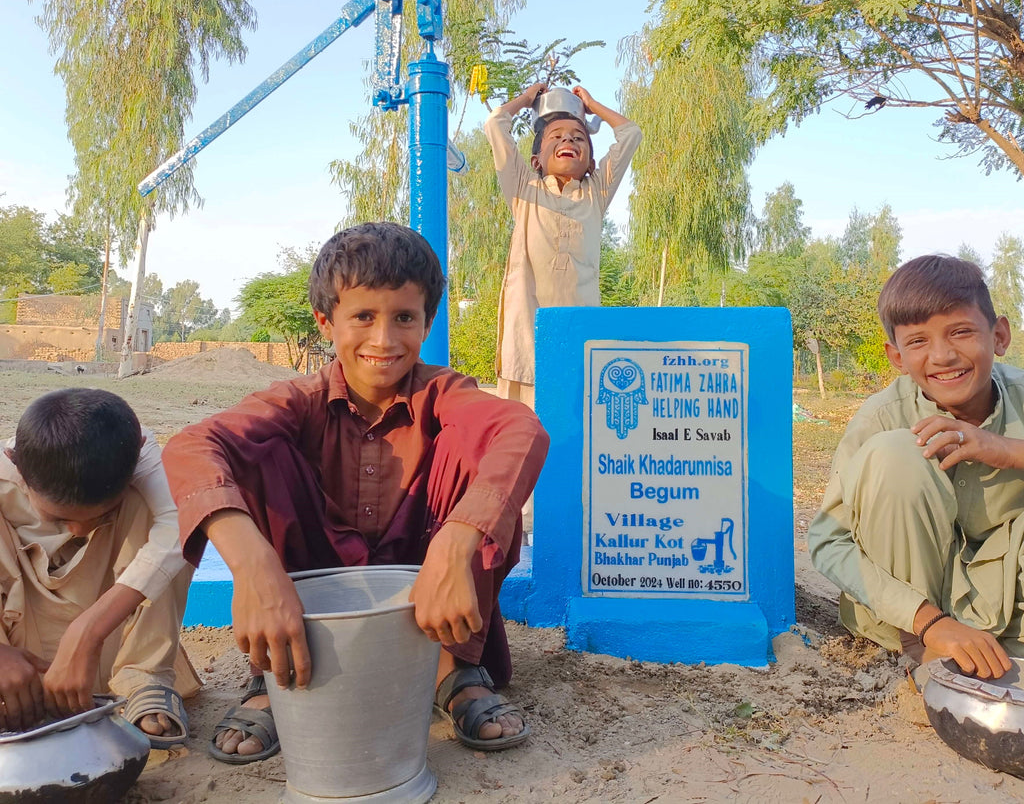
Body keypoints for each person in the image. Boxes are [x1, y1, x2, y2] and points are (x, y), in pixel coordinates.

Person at [162, 222, 549, 763]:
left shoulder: (443, 391)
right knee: (259, 450)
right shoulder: (297, 399)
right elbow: (190, 447)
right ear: (327, 321)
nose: (384, 340)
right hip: (312, 589)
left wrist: (457, 539)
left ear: (427, 322)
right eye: (364, 316)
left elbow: (521, 430)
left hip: (426, 589)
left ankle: (453, 670)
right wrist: (252, 566)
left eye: (404, 318)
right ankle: (276, 676)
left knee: (477, 439)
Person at [808, 254, 1023, 682]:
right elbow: (828, 543)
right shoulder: (880, 417)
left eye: (960, 332)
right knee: (896, 452)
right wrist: (928, 623)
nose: (942, 355)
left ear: (999, 335)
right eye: (919, 341)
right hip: (906, 616)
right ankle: (923, 654)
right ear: (897, 356)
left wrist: (1003, 449)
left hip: (1006, 606)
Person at [0, 388, 199, 745]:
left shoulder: (140, 457)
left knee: (177, 511)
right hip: (17, 665)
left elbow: (182, 528)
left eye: (101, 516)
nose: (79, 531)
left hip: (110, 647)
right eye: (60, 518)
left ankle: (144, 679)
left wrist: (87, 632)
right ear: (13, 460)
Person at [484, 82, 642, 408]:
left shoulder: (595, 195)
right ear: (536, 160)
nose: (568, 139)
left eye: (578, 137)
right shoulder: (525, 189)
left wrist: (593, 105)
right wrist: (527, 99)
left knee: (576, 431)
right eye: (555, 137)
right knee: (522, 436)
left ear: (592, 165)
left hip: (581, 336)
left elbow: (630, 134)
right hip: (526, 338)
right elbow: (495, 125)